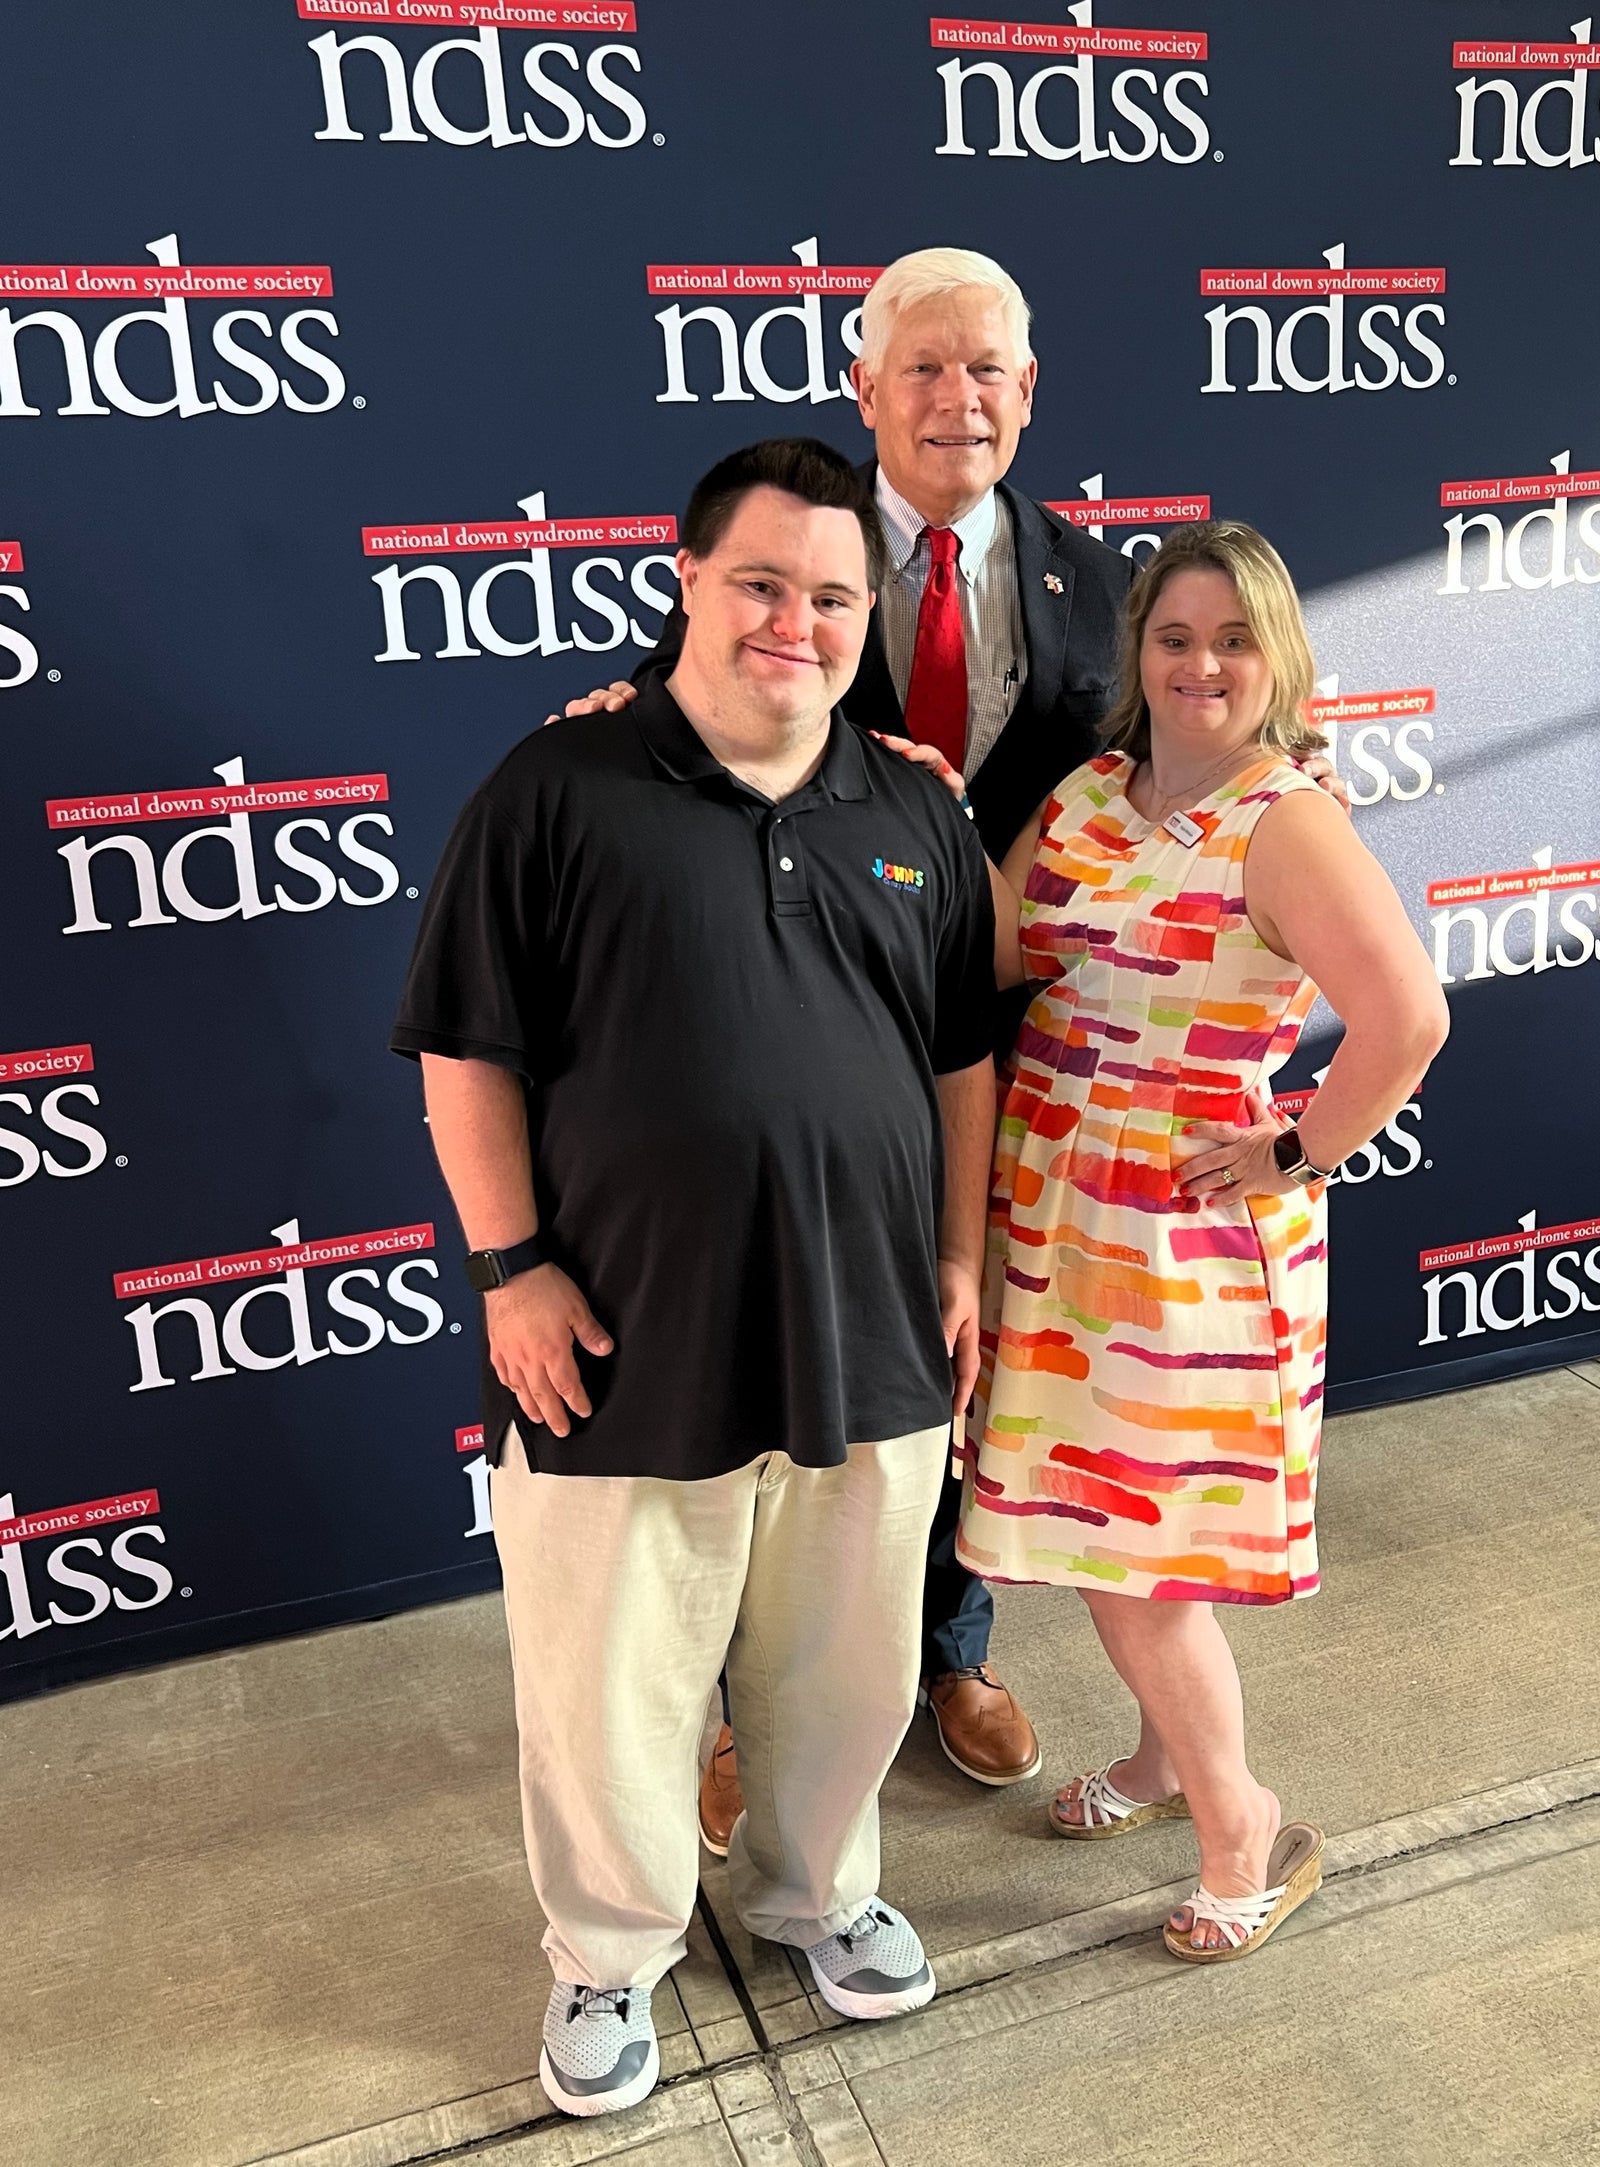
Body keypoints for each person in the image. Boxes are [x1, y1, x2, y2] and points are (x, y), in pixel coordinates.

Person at [559, 247, 1349, 1830]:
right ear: (864, 390)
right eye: (922, 367)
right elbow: (728, 671)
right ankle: (742, 1704)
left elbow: (1149, 801)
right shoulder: (810, 546)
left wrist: (1291, 1132)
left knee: (963, 1370)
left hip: (1008, 1060)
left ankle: (952, 1656)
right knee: (781, 1364)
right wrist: (626, 713)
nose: (957, 398)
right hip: (811, 1025)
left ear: (1031, 392)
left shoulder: (1092, 579)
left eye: (988, 368)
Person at [392, 438, 996, 2116]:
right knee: (610, 1680)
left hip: (871, 1324)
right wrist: (509, 1268)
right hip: (618, 1337)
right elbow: (467, 1053)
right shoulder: (554, 786)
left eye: (829, 596)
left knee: (850, 1660)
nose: (792, 624)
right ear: (685, 580)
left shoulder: (914, 807)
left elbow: (958, 1057)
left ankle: (822, 1892)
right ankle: (607, 1956)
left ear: (865, 613)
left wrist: (959, 1256)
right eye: (760, 585)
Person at [901, 520, 1448, 1960]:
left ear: (1281, 659)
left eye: (1235, 639)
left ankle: (1241, 1831)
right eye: (1174, 637)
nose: (1201, 665)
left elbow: (1408, 1021)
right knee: (1100, 1543)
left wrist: (1295, 1147)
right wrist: (892, 810)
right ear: (1135, 654)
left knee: (1139, 1572)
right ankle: (1156, 1767)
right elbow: (996, 943)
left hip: (1181, 1246)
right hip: (1053, 1207)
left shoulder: (1289, 819)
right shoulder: (1090, 790)